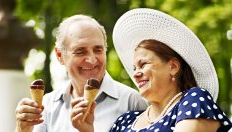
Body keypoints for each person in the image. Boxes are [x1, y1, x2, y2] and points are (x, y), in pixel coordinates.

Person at [15, 14, 148, 132]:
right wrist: (22, 130)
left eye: (98, 50)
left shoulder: (132, 101)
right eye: (80, 51)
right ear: (60, 55)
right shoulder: (48, 105)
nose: (91, 60)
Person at [110, 8, 232, 131]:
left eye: (143, 64)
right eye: (134, 68)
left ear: (173, 67)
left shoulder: (193, 99)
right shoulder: (124, 121)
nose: (135, 74)